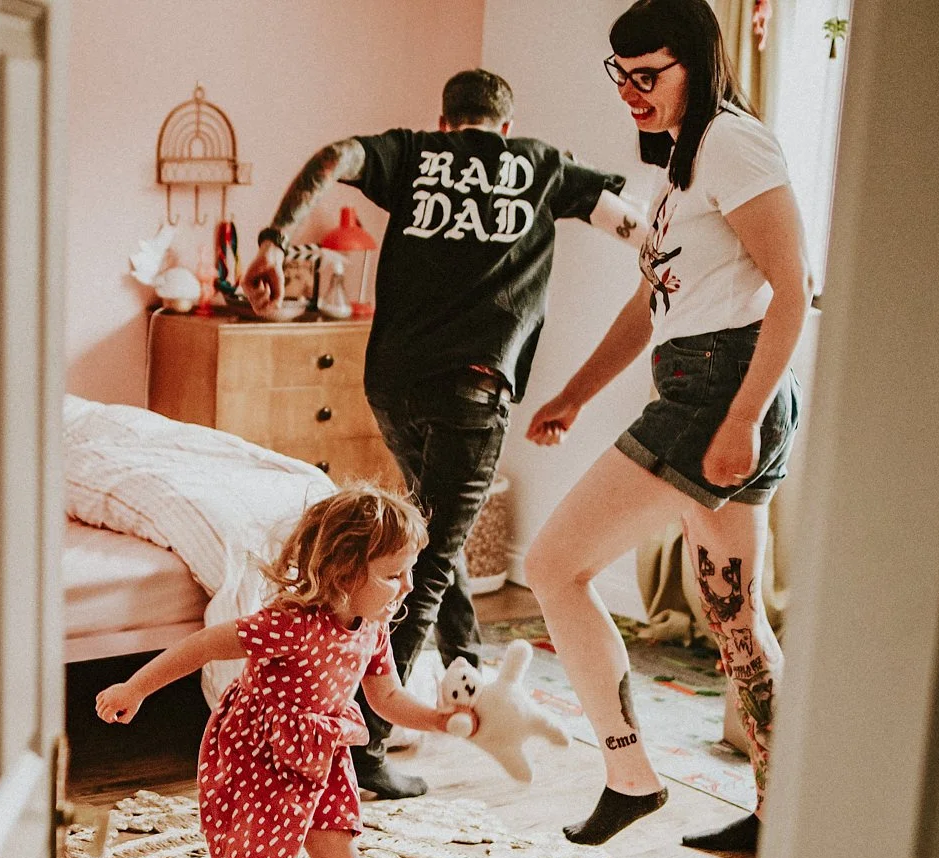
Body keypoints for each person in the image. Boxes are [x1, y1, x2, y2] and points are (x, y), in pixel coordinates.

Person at [243, 68, 644, 801]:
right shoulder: (542, 165)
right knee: (422, 565)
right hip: (471, 388)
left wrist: (273, 238)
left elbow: (333, 157)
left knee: (432, 535)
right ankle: (361, 750)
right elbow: (629, 220)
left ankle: (466, 666)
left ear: (444, 117)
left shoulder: (412, 154)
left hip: (392, 381)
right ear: (505, 121)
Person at [523, 0, 809, 854]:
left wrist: (744, 417)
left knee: (550, 567)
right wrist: (573, 393)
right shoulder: (679, 166)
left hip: (722, 391)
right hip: (705, 381)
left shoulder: (732, 141)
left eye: (648, 75)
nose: (631, 93)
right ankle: (780, 814)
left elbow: (792, 288)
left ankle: (630, 776)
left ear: (696, 61)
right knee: (733, 615)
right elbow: (654, 304)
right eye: (621, 76)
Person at [93, 487, 468, 858]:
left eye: (409, 571)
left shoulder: (375, 626)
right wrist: (136, 687)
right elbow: (203, 645)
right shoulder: (288, 623)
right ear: (343, 571)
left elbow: (385, 699)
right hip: (262, 754)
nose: (408, 586)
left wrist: (438, 719)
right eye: (393, 573)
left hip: (321, 753)